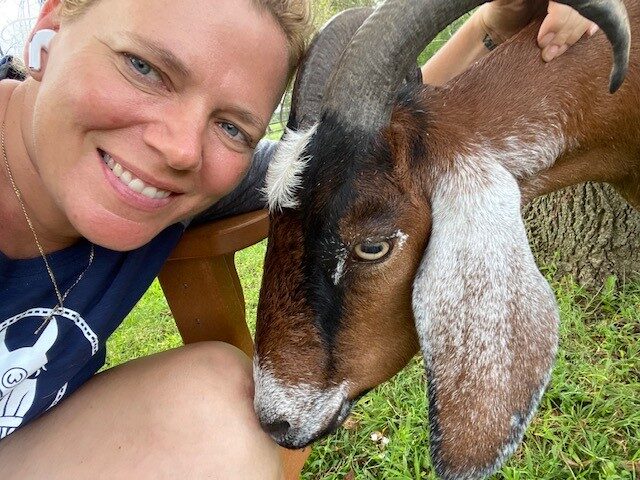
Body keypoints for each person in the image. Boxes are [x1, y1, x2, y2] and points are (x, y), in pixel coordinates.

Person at [0, 0, 598, 478]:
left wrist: (488, 27)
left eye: (232, 125)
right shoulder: (170, 173)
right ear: (49, 27)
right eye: (144, 67)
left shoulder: (197, 182)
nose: (179, 146)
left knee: (219, 416)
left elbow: (355, 173)